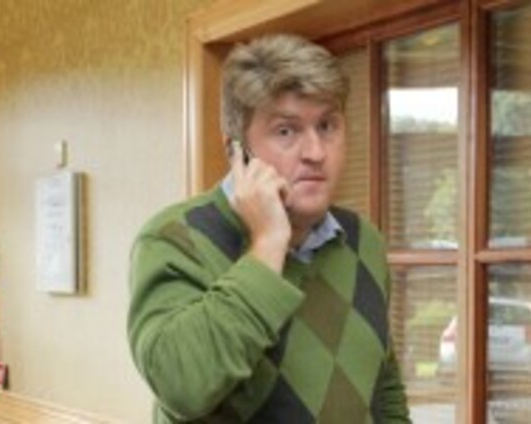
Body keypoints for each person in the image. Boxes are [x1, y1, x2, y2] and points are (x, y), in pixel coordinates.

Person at [128, 34, 411, 423]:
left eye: (327, 125)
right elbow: (181, 387)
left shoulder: (364, 240)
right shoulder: (174, 238)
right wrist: (267, 244)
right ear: (236, 151)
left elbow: (382, 388)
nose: (316, 152)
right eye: (286, 131)